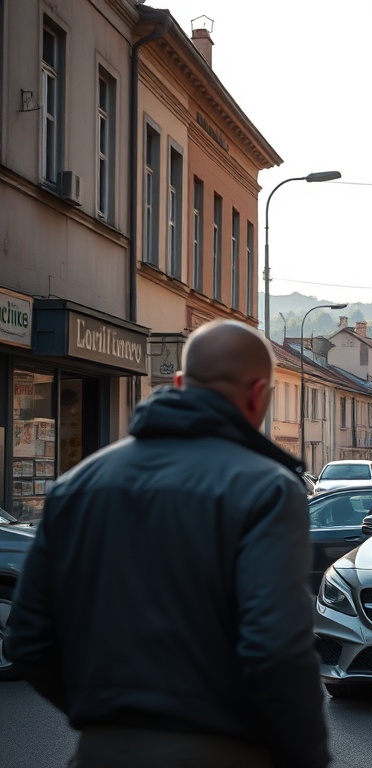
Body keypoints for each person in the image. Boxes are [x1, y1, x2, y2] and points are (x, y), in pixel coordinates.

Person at [8, 320, 330, 768]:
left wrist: (110, 716)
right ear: (259, 395)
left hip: (100, 753)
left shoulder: (74, 486)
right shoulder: (267, 489)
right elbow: (276, 651)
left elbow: (26, 640)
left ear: (180, 384)